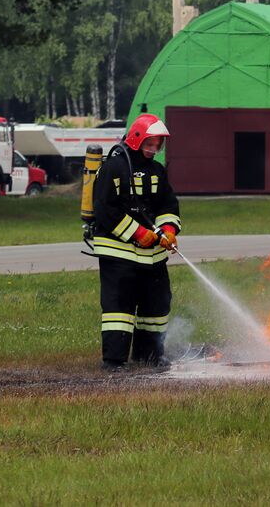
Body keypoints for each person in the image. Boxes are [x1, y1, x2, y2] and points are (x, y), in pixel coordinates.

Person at [92, 113, 180, 371]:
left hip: (153, 256)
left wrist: (168, 229)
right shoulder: (114, 168)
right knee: (119, 307)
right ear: (136, 139)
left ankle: (150, 354)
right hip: (119, 252)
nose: (153, 149)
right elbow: (105, 209)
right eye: (149, 143)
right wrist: (137, 233)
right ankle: (114, 360)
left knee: (157, 304)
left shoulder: (157, 171)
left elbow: (168, 205)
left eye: (158, 144)